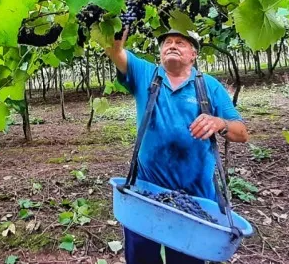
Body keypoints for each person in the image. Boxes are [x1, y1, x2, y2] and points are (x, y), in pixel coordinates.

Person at [104, 28, 249, 264]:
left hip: (194, 198)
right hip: (146, 193)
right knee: (142, 258)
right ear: (160, 53)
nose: (172, 45)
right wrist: (115, 42)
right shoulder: (146, 75)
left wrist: (219, 122)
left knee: (186, 260)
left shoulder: (209, 86)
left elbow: (242, 133)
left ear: (194, 54)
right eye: (167, 42)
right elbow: (117, 53)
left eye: (180, 42)